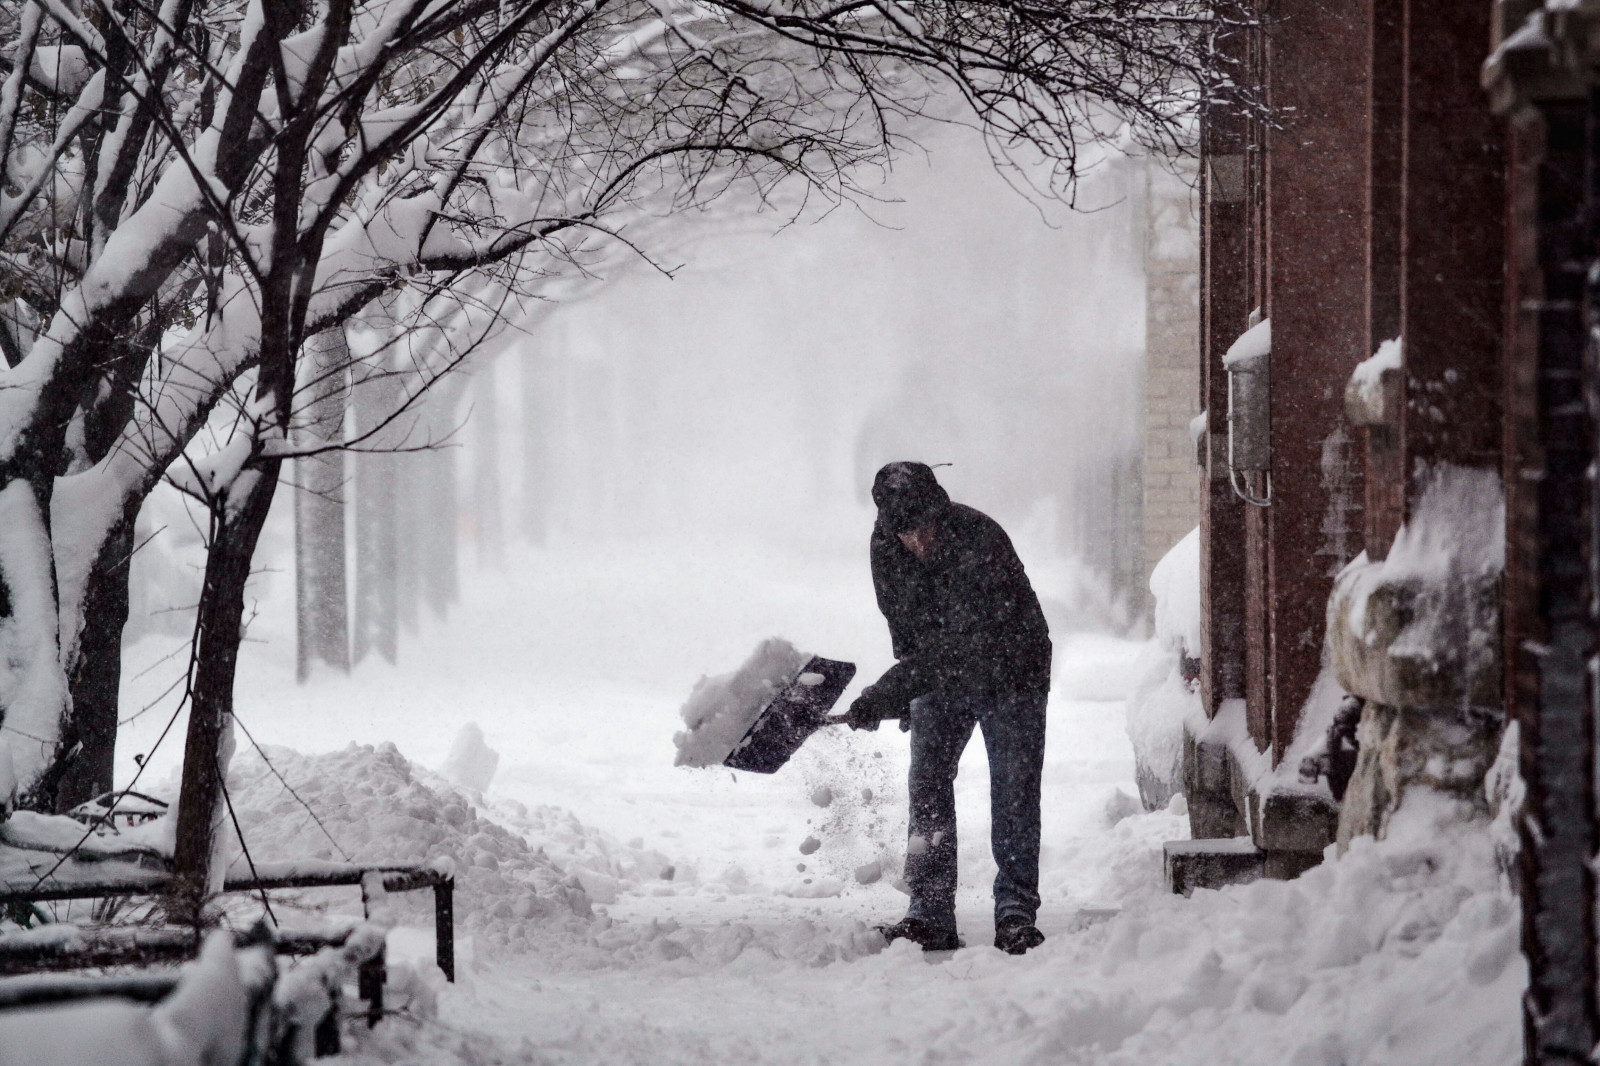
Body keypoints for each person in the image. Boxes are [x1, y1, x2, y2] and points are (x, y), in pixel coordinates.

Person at [846, 461, 1053, 955]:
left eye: (925, 527)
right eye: (905, 532)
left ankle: (1016, 911)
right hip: (942, 673)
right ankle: (931, 911)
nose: (918, 541)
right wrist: (904, 694)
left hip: (1012, 669)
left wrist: (887, 692)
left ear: (940, 512)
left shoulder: (978, 539)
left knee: (1014, 787)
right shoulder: (885, 548)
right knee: (927, 780)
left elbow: (961, 644)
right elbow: (908, 629)